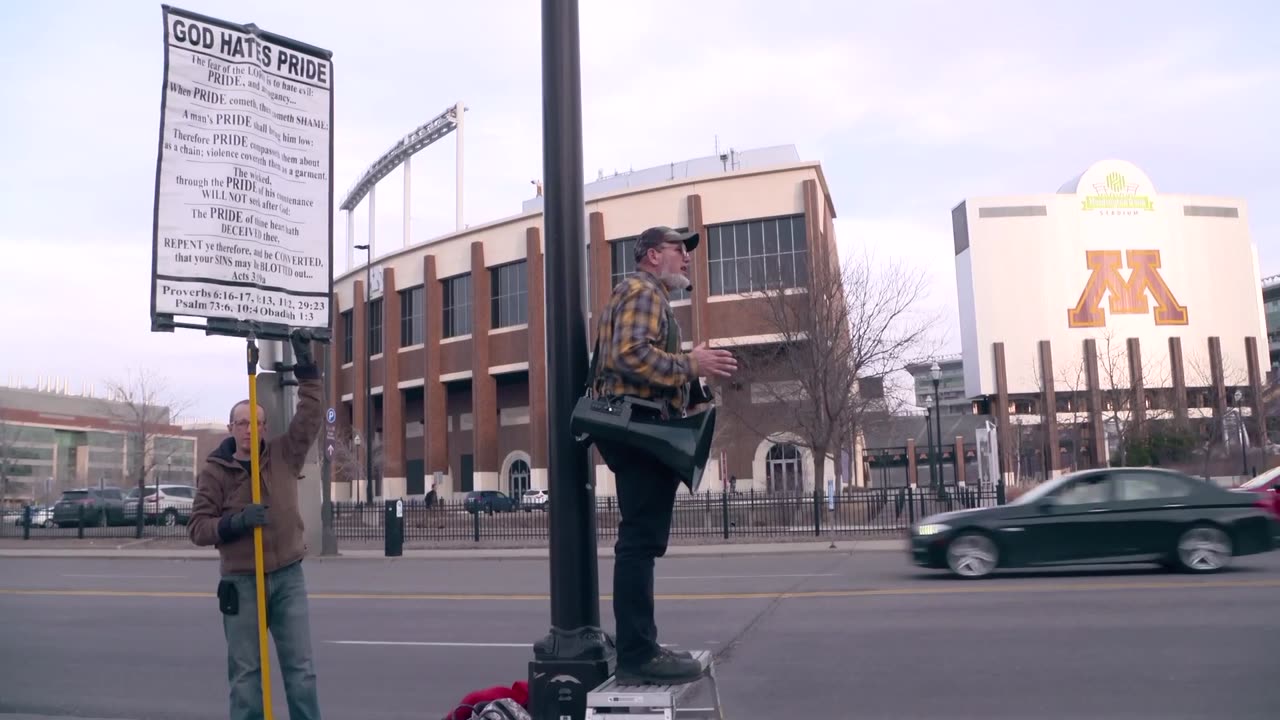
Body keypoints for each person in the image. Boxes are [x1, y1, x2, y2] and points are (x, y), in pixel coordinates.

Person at [591, 225, 739, 685]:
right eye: (680, 250)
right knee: (639, 542)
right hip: (641, 431)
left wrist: (690, 379)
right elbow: (630, 356)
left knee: (642, 540)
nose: (688, 259)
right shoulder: (643, 291)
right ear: (653, 255)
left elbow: (635, 362)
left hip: (639, 428)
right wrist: (691, 364)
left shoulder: (643, 294)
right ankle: (639, 653)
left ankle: (642, 645)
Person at [189, 329, 325, 720]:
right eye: (242, 422)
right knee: (246, 677)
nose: (250, 429)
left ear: (265, 427)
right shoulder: (216, 471)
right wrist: (234, 523)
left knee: (302, 674)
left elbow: (311, 413)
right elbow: (198, 528)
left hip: (287, 578)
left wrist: (307, 365)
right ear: (231, 428)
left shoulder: (285, 454)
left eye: (257, 422)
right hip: (242, 582)